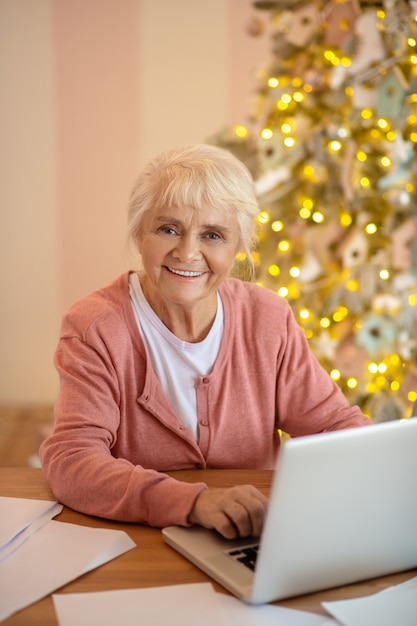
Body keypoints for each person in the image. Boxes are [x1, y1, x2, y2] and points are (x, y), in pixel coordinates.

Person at [40, 143, 369, 540]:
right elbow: (72, 461)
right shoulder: (95, 327)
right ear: (139, 234)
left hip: (255, 535)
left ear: (237, 249)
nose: (188, 252)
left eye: (213, 235)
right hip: (142, 541)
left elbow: (331, 425)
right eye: (168, 229)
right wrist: (193, 503)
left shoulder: (266, 317)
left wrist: (386, 463)